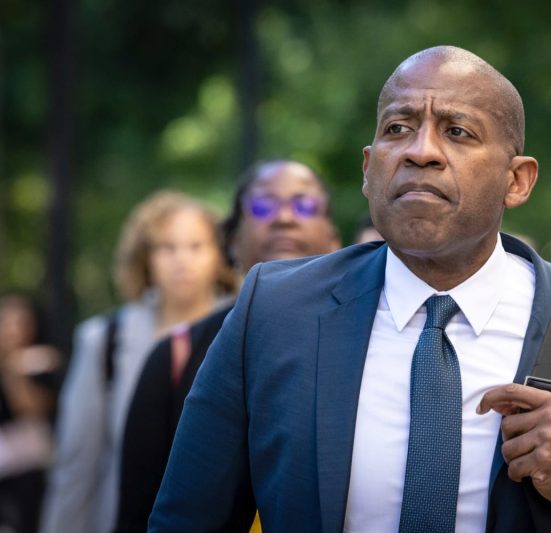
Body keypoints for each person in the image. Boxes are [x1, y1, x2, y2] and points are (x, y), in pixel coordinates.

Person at [150, 46, 551, 532]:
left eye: (457, 131)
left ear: (517, 180)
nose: (420, 150)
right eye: (398, 128)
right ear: (369, 168)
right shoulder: (276, 312)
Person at [113, 160, 341, 533]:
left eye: (304, 205)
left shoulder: (371, 346)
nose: (284, 217)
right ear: (232, 242)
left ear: (334, 240)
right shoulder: (175, 355)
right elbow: (139, 511)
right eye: (263, 206)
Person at [39, 191, 237, 533]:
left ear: (220, 254)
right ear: (145, 257)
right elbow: (77, 463)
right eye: (167, 248)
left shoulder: (243, 329)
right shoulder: (104, 340)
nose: (182, 260)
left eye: (196, 246)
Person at [0, 293, 62, 533]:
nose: (13, 330)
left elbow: (30, 408)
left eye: (21, 322)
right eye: (6, 322)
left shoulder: (44, 364)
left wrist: (12, 369)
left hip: (29, 475)